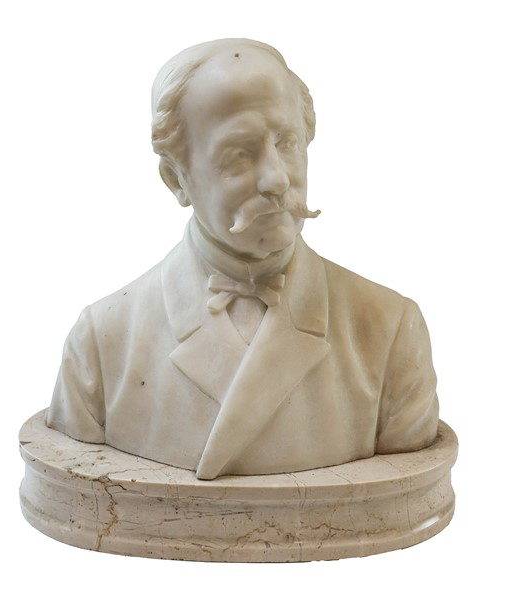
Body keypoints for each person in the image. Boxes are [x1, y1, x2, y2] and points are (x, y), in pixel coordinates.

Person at [47, 39, 439, 481]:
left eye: (287, 143)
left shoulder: (391, 331)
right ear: (176, 179)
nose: (276, 178)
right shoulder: (101, 345)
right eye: (238, 154)